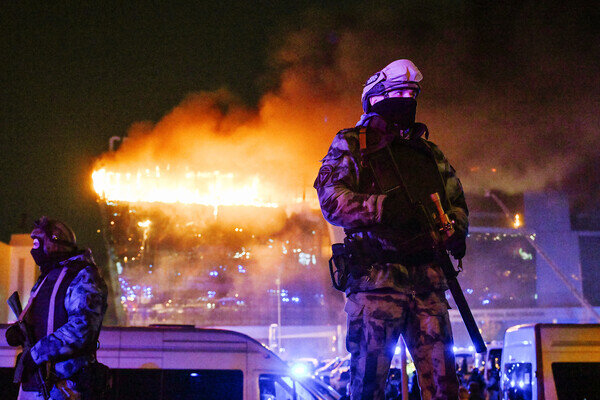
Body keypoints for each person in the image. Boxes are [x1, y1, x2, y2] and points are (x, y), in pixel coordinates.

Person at [314, 59, 468, 400]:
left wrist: (456, 231)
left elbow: (455, 200)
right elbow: (330, 200)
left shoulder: (429, 153)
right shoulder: (352, 144)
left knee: (445, 388)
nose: (405, 102)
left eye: (410, 95)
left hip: (428, 286)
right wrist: (383, 207)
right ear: (376, 99)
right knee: (367, 387)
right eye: (397, 94)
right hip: (377, 286)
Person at [5, 217, 109, 400]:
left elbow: (81, 329)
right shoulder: (48, 276)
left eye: (38, 242)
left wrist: (36, 354)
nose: (33, 248)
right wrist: (19, 330)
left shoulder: (83, 275)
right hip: (35, 383)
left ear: (55, 241)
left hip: (66, 385)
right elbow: (40, 319)